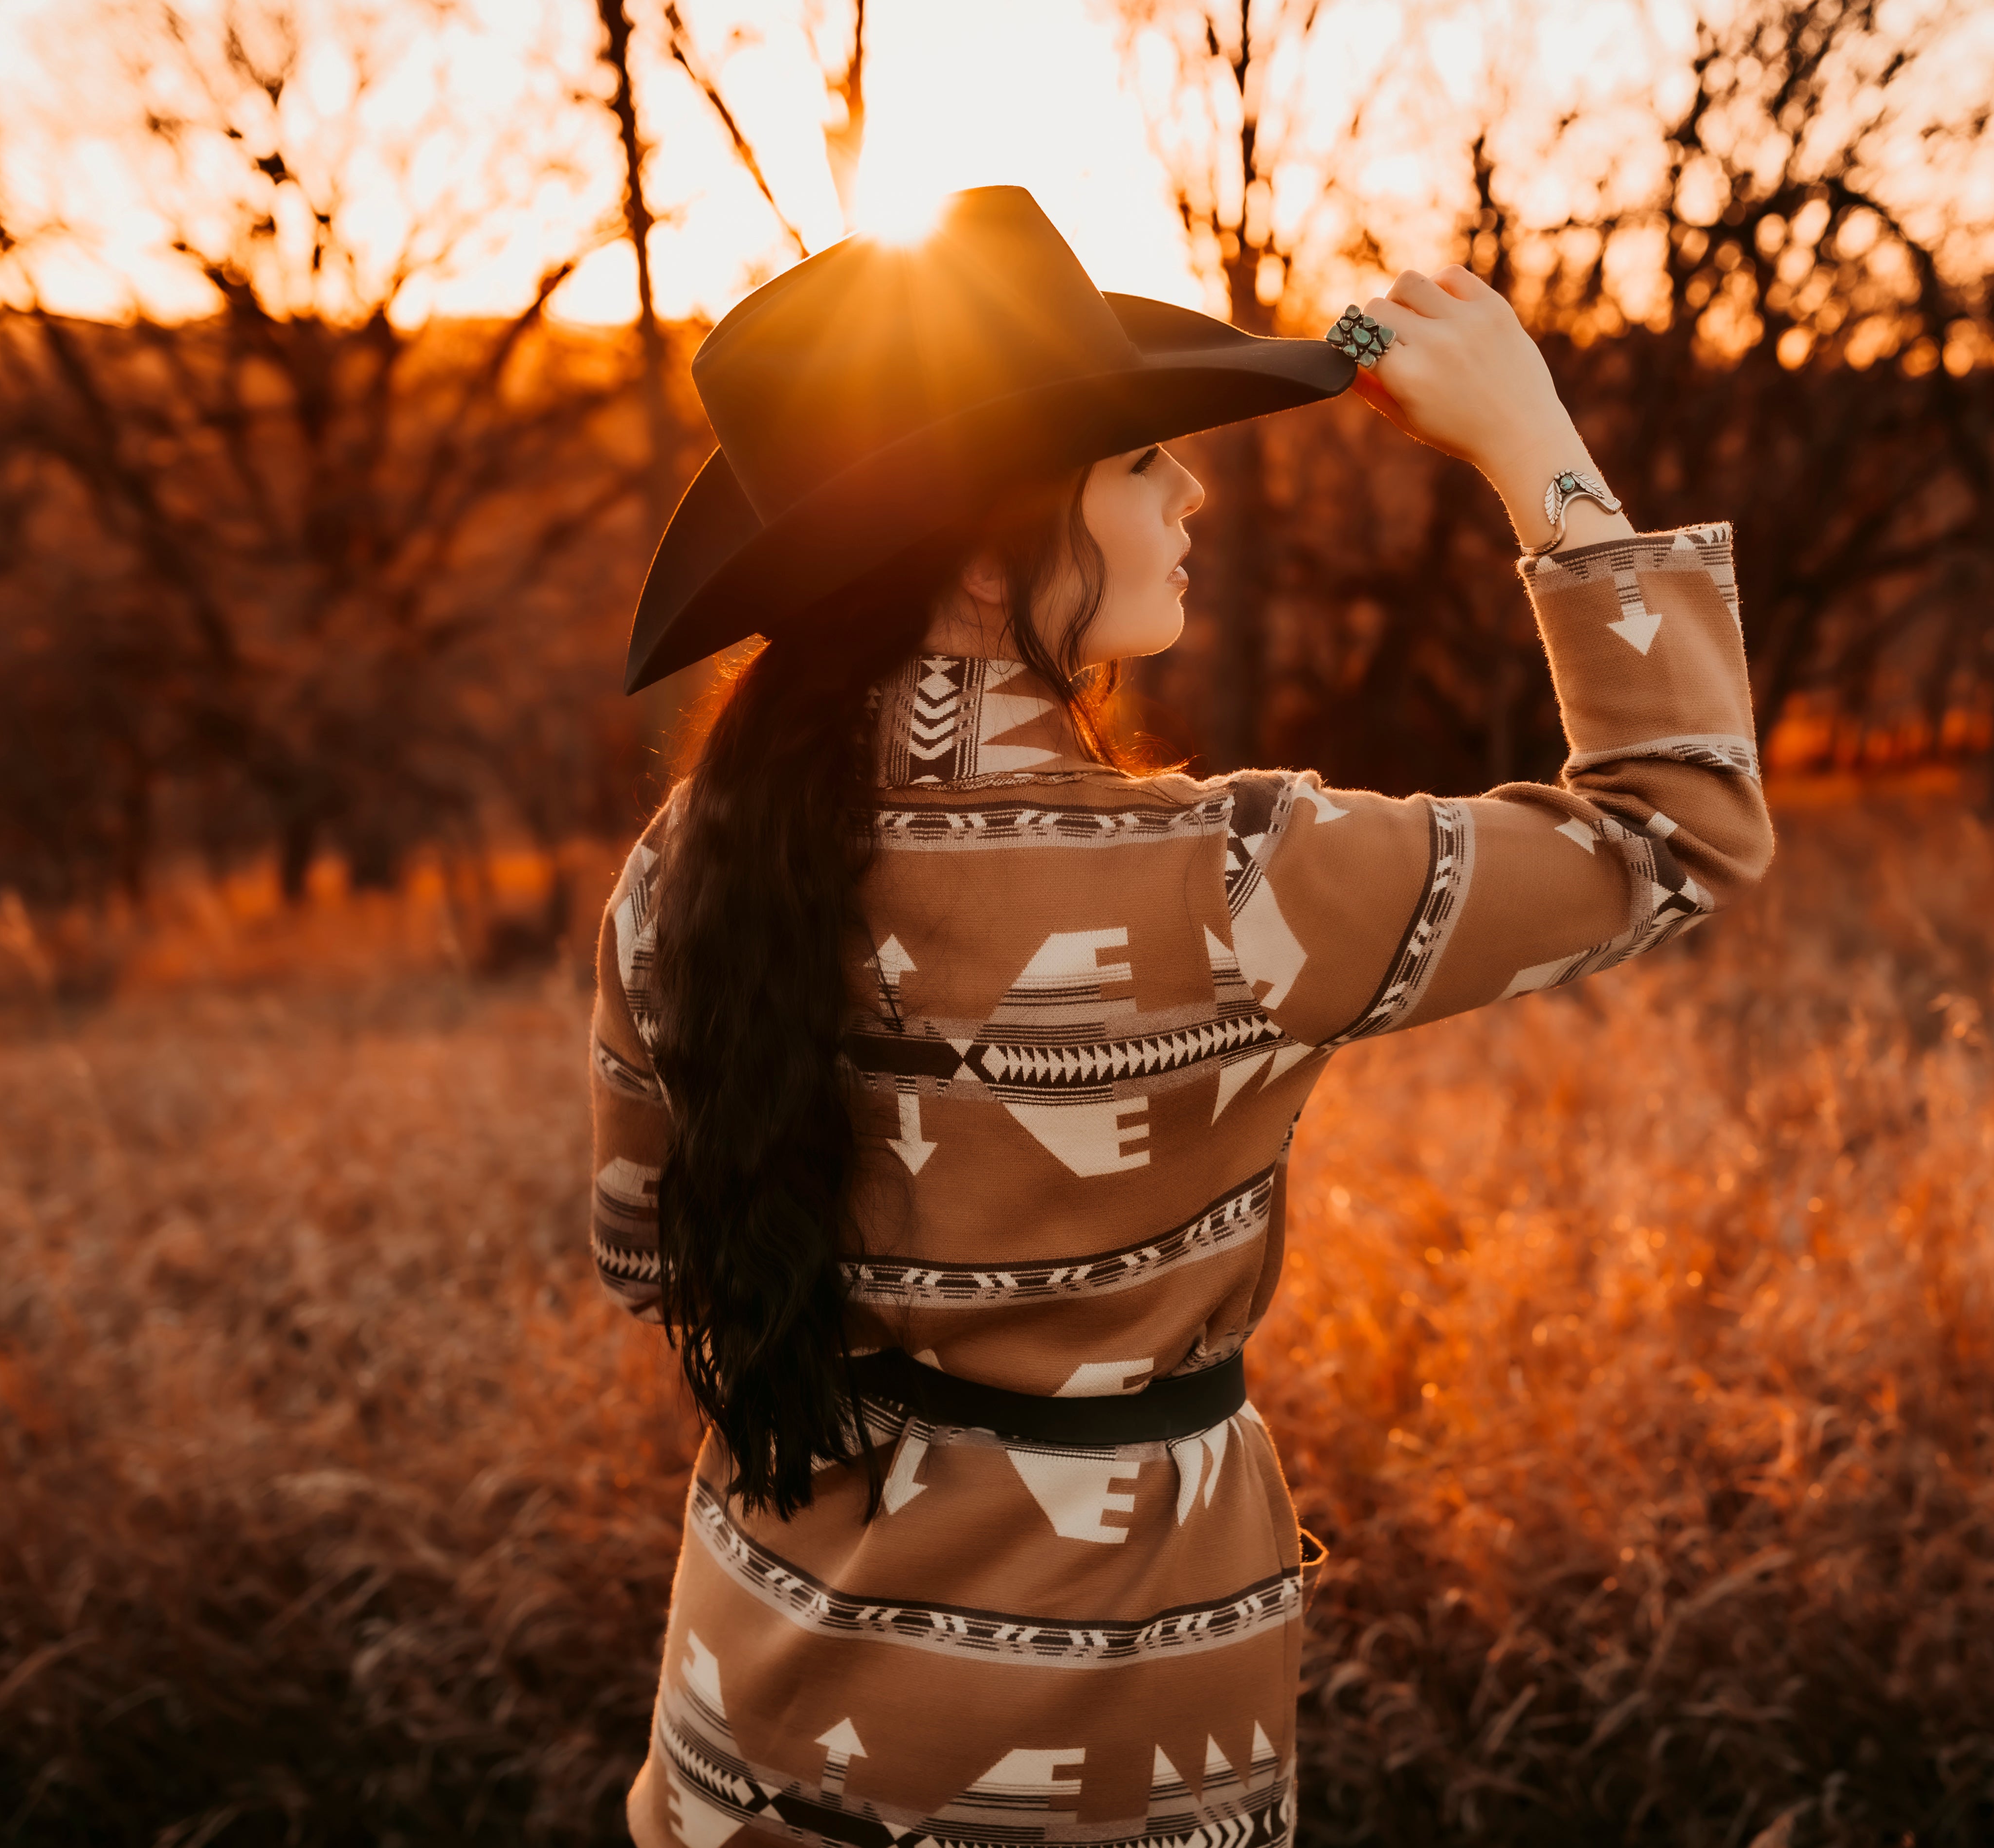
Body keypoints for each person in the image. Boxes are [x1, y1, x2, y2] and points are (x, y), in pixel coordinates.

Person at [587, 185, 1773, 1848]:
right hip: (1100, 1742)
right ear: (999, 538)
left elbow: (651, 1262)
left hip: (739, 1722)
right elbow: (1676, 827)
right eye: (1143, 460)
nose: (1191, 488)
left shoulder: (682, 869)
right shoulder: (1233, 886)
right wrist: (1534, 446)